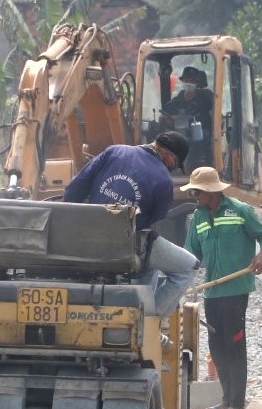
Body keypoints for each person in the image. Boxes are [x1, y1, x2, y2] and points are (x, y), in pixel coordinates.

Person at [63, 131, 198, 316]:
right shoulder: (164, 181)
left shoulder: (114, 151)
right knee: (188, 267)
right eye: (174, 165)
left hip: (86, 240)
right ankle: (149, 321)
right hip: (125, 246)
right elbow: (152, 220)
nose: (172, 169)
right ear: (169, 156)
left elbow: (74, 189)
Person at [182, 167, 262, 409]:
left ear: (210, 192)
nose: (194, 195)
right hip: (212, 292)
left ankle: (237, 403)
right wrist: (183, 278)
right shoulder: (197, 218)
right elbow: (191, 254)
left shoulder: (240, 210)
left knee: (234, 344)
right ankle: (225, 399)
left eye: (197, 191)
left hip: (235, 290)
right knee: (217, 346)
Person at [162, 66, 215, 167]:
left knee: (202, 136)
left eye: (192, 81)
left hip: (201, 131)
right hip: (182, 131)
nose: (188, 83)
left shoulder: (206, 96)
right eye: (186, 80)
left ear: (197, 83)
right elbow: (167, 111)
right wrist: (165, 119)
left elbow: (216, 111)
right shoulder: (179, 97)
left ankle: (203, 163)